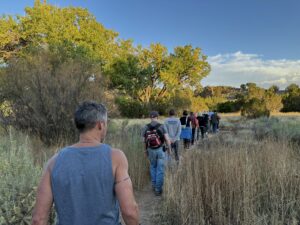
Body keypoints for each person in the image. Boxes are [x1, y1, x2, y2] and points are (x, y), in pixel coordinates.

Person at [31, 101, 139, 225]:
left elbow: (38, 219)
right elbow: (130, 211)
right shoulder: (115, 157)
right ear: (100, 125)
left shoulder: (54, 162)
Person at [142, 111, 171, 196]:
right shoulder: (162, 126)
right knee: (160, 169)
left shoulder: (145, 127)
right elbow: (167, 140)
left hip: (150, 150)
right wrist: (169, 149)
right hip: (160, 150)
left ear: (150, 117)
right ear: (157, 117)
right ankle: (158, 190)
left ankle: (154, 185)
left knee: (153, 167)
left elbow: (144, 142)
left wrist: (145, 151)